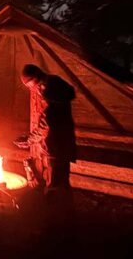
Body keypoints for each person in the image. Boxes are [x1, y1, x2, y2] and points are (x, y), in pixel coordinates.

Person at [18, 63, 77, 192]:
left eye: (30, 85)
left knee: (55, 185)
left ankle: (56, 210)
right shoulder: (46, 88)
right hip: (54, 145)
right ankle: (61, 207)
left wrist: (29, 140)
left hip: (56, 145)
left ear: (36, 78)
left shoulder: (51, 90)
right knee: (59, 182)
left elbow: (47, 125)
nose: (30, 89)